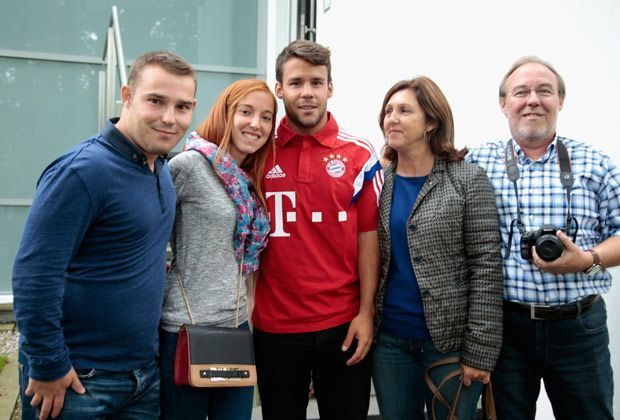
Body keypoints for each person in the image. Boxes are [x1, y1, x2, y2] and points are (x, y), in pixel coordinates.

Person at [12, 50, 196, 420]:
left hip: (143, 378)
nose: (169, 118)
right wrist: (48, 365)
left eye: (182, 106)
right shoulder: (83, 172)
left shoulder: (159, 167)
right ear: (126, 97)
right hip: (79, 381)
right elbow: (34, 277)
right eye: (156, 101)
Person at [467, 56, 620, 419]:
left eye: (544, 91)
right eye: (521, 92)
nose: (533, 100)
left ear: (561, 101)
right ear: (503, 104)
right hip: (507, 329)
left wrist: (587, 259)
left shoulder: (595, 163)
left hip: (579, 327)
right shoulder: (477, 163)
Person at [251, 39, 383, 420]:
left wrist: (365, 313)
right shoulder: (258, 151)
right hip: (275, 326)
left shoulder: (359, 154)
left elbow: (369, 238)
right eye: (295, 83)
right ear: (279, 89)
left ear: (330, 87)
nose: (306, 93)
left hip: (343, 324)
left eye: (315, 82)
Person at [372, 76, 504, 420]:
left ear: (431, 122)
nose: (392, 119)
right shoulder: (378, 182)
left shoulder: (466, 179)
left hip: (449, 345)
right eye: (388, 111)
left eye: (404, 110)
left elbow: (486, 266)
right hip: (390, 342)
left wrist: (479, 352)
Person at [158, 78, 275, 419]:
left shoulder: (248, 177)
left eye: (266, 117)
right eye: (246, 112)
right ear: (226, 112)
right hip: (185, 329)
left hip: (235, 328)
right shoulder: (188, 166)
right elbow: (148, 236)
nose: (256, 124)